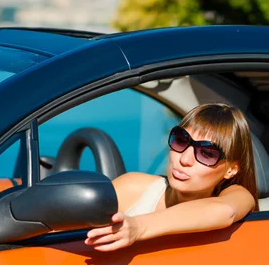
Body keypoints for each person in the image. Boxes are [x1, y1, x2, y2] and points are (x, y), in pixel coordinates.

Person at [85, 103, 259, 251]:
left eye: (206, 153)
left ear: (231, 170)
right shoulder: (133, 187)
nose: (184, 159)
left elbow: (226, 211)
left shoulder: (238, 195)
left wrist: (137, 227)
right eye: (181, 141)